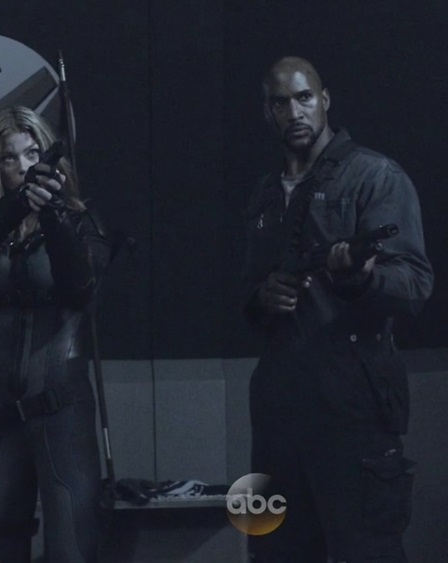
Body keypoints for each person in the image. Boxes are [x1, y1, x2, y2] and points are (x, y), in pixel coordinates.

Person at [241, 56, 434, 562]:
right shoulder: (264, 195)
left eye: (304, 98)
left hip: (353, 412)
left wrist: (362, 277)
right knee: (268, 552)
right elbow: (247, 293)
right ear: (267, 112)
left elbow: (415, 285)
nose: (294, 112)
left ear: (324, 99)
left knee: (367, 552)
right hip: (277, 417)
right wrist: (262, 298)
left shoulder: (374, 176)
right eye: (280, 103)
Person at [0, 106, 113, 563]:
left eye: (32, 155)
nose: (22, 167)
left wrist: (52, 213)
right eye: (9, 158)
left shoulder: (81, 222)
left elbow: (80, 286)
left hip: (61, 411)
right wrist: (22, 202)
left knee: (72, 548)